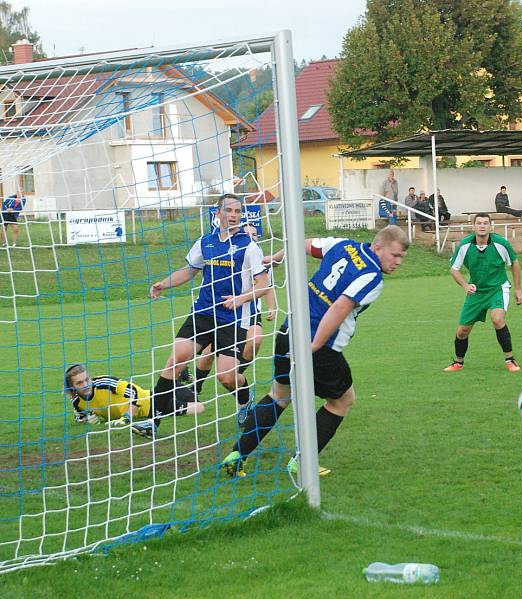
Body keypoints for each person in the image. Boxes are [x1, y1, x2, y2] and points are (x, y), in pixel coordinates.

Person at [221, 225, 409, 478]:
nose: (398, 262)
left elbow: (304, 243)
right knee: (343, 400)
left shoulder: (344, 245)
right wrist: (315, 346)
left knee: (279, 395)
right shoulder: (372, 276)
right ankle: (303, 462)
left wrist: (277, 257)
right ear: (378, 247)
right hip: (320, 346)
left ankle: (237, 455)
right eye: (395, 255)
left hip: (290, 330)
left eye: (402, 258)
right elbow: (340, 307)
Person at [134, 194, 270, 439]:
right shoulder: (205, 242)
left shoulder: (249, 246)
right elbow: (189, 271)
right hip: (203, 312)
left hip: (234, 318)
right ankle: (152, 421)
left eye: (238, 211)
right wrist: (163, 284)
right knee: (175, 360)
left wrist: (239, 299)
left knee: (227, 377)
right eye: (228, 210)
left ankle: (245, 400)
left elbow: (263, 285)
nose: (234, 215)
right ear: (217, 214)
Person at [191, 224, 276, 398]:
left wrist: (271, 307)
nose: (252, 236)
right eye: (248, 233)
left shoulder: (258, 257)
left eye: (255, 234)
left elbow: (267, 286)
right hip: (221, 310)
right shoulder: (232, 253)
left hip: (250, 310)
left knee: (255, 341)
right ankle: (195, 387)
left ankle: (236, 373)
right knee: (209, 353)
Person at [444, 213, 522, 373]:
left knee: (497, 319)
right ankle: (458, 362)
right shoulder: (465, 245)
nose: (482, 226)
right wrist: (466, 286)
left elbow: (514, 262)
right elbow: (454, 269)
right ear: (473, 227)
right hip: (476, 293)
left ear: (490, 226)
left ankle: (510, 360)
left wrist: (518, 289)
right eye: (479, 223)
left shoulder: (501, 243)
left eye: (485, 223)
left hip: (498, 289)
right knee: (462, 331)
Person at [65, 363, 203, 427]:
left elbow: (134, 391)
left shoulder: (103, 383)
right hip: (151, 400)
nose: (86, 384)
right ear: (72, 387)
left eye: (87, 379)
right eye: (79, 383)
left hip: (151, 403)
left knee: (197, 406)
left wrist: (126, 417)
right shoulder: (77, 402)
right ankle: (176, 379)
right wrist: (89, 421)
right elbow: (80, 417)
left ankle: (176, 378)